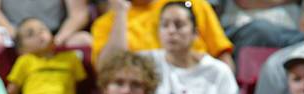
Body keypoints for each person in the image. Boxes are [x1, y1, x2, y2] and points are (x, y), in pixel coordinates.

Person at [143, 1, 248, 94]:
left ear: (196, 33)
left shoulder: (219, 72)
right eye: (164, 25)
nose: (171, 31)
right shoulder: (146, 64)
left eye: (179, 25)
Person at [91, 0, 235, 71]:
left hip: (198, 89)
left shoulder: (191, 4)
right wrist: (121, 12)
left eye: (178, 25)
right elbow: (107, 70)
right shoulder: (107, 23)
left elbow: (222, 56)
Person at [0, 0, 92, 68]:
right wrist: (22, 40)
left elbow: (79, 14)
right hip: (11, 34)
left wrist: (56, 40)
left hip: (55, 34)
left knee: (85, 40)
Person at [6, 18, 86, 94]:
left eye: (42, 29)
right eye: (30, 34)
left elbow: (82, 88)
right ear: (21, 49)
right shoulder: (24, 60)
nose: (39, 34)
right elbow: (12, 90)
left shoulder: (71, 58)